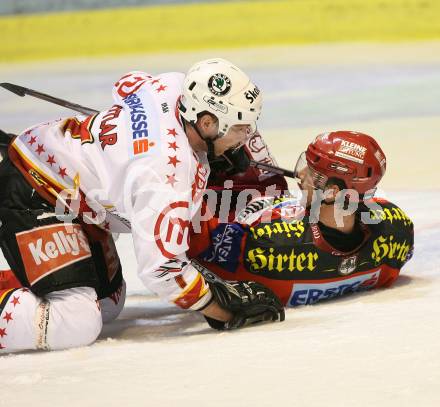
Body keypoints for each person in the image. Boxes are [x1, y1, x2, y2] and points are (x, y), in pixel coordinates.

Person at [0, 59, 284, 353]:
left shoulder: (173, 85)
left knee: (108, 303)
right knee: (76, 322)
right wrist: (223, 309)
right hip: (35, 190)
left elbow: (127, 83)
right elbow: (162, 270)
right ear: (207, 123)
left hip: (68, 185)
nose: (247, 135)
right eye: (240, 127)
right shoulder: (165, 179)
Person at [189, 131, 414, 306]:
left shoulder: (266, 242)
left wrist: (198, 170)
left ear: (333, 192)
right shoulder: (397, 232)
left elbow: (191, 242)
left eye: (313, 171)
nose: (300, 175)